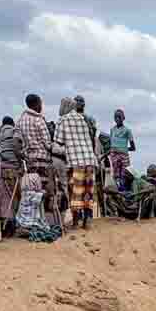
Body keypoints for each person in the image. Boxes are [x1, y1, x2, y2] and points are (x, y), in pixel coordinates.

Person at [54, 96, 98, 229]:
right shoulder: (82, 119)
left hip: (75, 161)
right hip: (90, 159)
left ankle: (76, 220)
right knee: (87, 190)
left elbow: (57, 143)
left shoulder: (62, 120)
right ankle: (88, 219)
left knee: (75, 191)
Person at [18, 94, 56, 225]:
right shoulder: (39, 120)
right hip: (43, 160)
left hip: (30, 161)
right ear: (36, 104)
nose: (42, 106)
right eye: (40, 104)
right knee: (45, 190)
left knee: (33, 191)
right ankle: (46, 220)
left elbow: (19, 143)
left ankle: (34, 219)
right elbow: (47, 143)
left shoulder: (20, 121)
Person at [0, 116, 24, 236]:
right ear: (12, 123)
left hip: (1, 168)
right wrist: (21, 162)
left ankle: (6, 228)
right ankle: (12, 226)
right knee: (16, 198)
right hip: (13, 168)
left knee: (5, 199)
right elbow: (16, 146)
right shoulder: (14, 131)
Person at [15, 172, 61, 242]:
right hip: (29, 222)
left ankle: (25, 230)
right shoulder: (32, 194)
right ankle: (27, 230)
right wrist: (51, 188)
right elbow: (45, 195)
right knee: (46, 230)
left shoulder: (25, 192)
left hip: (22, 220)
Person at [109, 109, 136, 188]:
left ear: (123, 118)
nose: (117, 119)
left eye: (119, 117)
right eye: (116, 117)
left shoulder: (127, 130)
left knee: (125, 175)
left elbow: (133, 147)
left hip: (124, 156)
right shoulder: (112, 130)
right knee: (115, 176)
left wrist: (123, 148)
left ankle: (125, 191)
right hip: (113, 156)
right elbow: (111, 145)